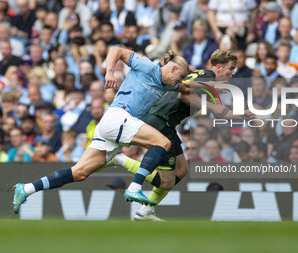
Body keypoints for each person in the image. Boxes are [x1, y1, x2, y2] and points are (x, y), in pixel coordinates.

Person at [13, 46, 189, 213]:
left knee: (79, 172)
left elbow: (186, 87)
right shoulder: (147, 66)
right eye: (179, 76)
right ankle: (135, 187)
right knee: (163, 142)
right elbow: (116, 50)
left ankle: (27, 188)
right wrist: (110, 72)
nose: (179, 81)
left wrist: (212, 87)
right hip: (119, 117)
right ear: (172, 68)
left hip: (113, 126)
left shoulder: (169, 84)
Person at [110, 49, 254, 221]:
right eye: (231, 68)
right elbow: (183, 96)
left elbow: (219, 113)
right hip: (161, 120)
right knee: (166, 181)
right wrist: (212, 106)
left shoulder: (208, 81)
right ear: (219, 67)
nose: (233, 72)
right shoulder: (207, 76)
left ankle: (146, 211)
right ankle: (120, 159)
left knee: (182, 169)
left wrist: (241, 115)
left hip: (167, 123)